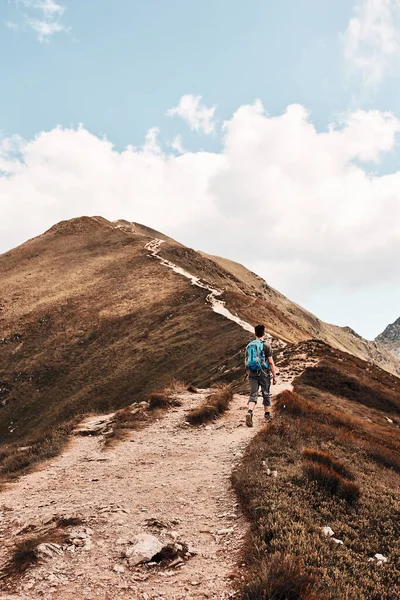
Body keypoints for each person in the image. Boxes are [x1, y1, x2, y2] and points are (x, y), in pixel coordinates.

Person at [245, 324, 277, 427]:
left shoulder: (249, 345)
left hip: (252, 373)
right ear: (264, 333)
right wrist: (275, 376)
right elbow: (271, 362)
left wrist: (247, 373)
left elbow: (246, 361)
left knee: (253, 394)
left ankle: (249, 411)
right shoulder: (266, 345)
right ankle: (267, 415)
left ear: (255, 333)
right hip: (264, 372)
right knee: (265, 392)